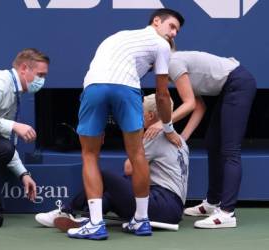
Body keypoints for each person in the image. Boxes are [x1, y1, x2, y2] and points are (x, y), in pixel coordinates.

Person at [68, 8, 185, 240]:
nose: (173, 34)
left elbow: (99, 75)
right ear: (156, 21)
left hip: (93, 88)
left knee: (90, 154)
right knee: (137, 154)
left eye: (177, 31)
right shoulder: (161, 45)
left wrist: (97, 122)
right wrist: (168, 127)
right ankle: (141, 221)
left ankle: (95, 223)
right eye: (171, 27)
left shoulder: (118, 36)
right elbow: (162, 95)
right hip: (126, 89)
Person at [35, 94, 189, 231]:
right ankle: (88, 217)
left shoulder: (155, 134)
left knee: (103, 176)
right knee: (115, 190)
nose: (137, 115)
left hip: (161, 204)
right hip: (172, 210)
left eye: (140, 111)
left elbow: (129, 167)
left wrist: (137, 139)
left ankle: (67, 210)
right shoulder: (180, 139)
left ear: (150, 116)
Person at [145, 51, 256, 229]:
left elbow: (189, 104)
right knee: (213, 143)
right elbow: (199, 106)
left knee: (230, 150)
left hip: (239, 83)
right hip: (230, 86)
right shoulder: (170, 68)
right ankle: (212, 202)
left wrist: (163, 124)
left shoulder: (173, 63)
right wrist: (182, 139)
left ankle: (227, 212)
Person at [0, 48, 50, 222]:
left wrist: (23, 174)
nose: (42, 81)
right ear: (23, 68)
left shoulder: (14, 91)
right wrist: (14, 125)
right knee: (4, 148)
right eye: (40, 75)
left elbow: (1, 141)